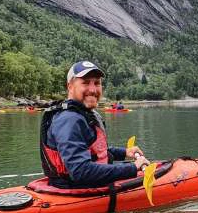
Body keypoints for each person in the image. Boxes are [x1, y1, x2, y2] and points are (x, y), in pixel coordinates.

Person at [40, 60, 149, 188]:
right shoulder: (69, 120)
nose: (93, 90)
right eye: (85, 83)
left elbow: (95, 152)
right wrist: (133, 168)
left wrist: (124, 152)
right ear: (70, 86)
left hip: (86, 184)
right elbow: (81, 171)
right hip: (77, 189)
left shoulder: (83, 114)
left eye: (97, 83)